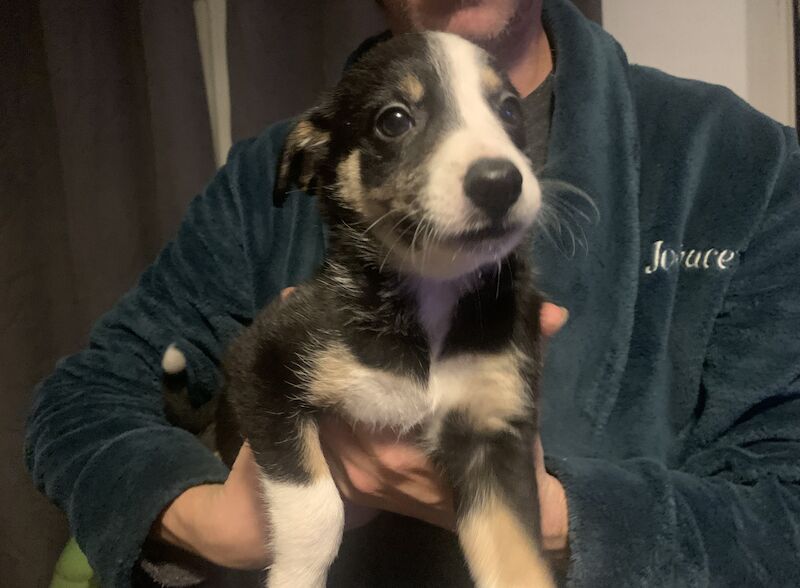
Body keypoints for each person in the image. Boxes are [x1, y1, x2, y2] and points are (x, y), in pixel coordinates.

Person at [25, 0, 800, 586]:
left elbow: (784, 515)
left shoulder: (742, 163)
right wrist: (215, 523)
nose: (485, 159)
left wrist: (551, 513)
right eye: (398, 119)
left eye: (502, 114)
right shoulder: (265, 173)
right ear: (330, 167)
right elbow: (79, 402)